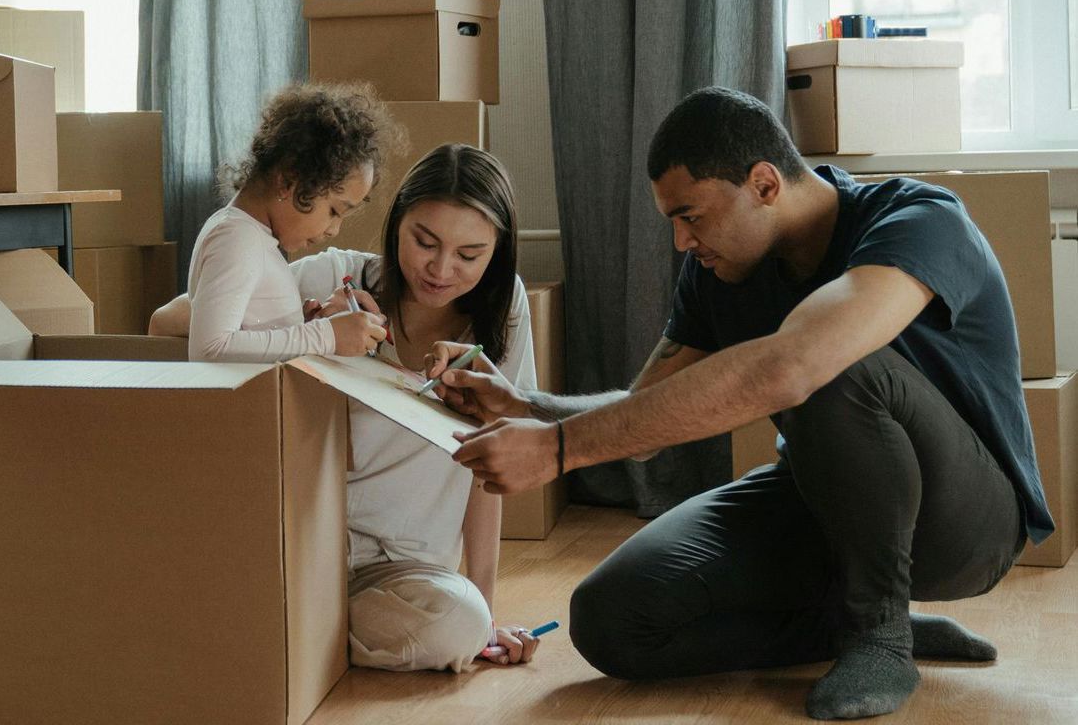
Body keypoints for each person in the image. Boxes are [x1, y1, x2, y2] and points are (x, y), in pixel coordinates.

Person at [427, 87, 1051, 721]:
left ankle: (879, 636)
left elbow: (797, 365)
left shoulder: (919, 220)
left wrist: (558, 452)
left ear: (764, 184)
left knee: (830, 362)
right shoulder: (718, 272)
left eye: (691, 216)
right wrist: (527, 406)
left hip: (967, 525)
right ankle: (846, 624)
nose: (679, 241)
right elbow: (647, 416)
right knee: (612, 619)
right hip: (822, 500)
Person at [291, 143, 543, 673]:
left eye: (470, 255)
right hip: (304, 548)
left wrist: (487, 613)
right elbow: (172, 321)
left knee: (461, 623)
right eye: (424, 242)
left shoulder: (504, 313)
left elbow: (489, 467)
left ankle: (297, 635)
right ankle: (300, 629)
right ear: (396, 223)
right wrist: (311, 327)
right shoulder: (335, 278)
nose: (441, 269)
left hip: (405, 573)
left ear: (497, 252)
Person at [149, 82, 393, 360]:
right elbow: (210, 350)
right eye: (334, 211)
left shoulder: (253, 238)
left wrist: (299, 324)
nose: (334, 230)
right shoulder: (236, 239)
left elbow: (248, 333)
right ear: (289, 181)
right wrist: (326, 336)